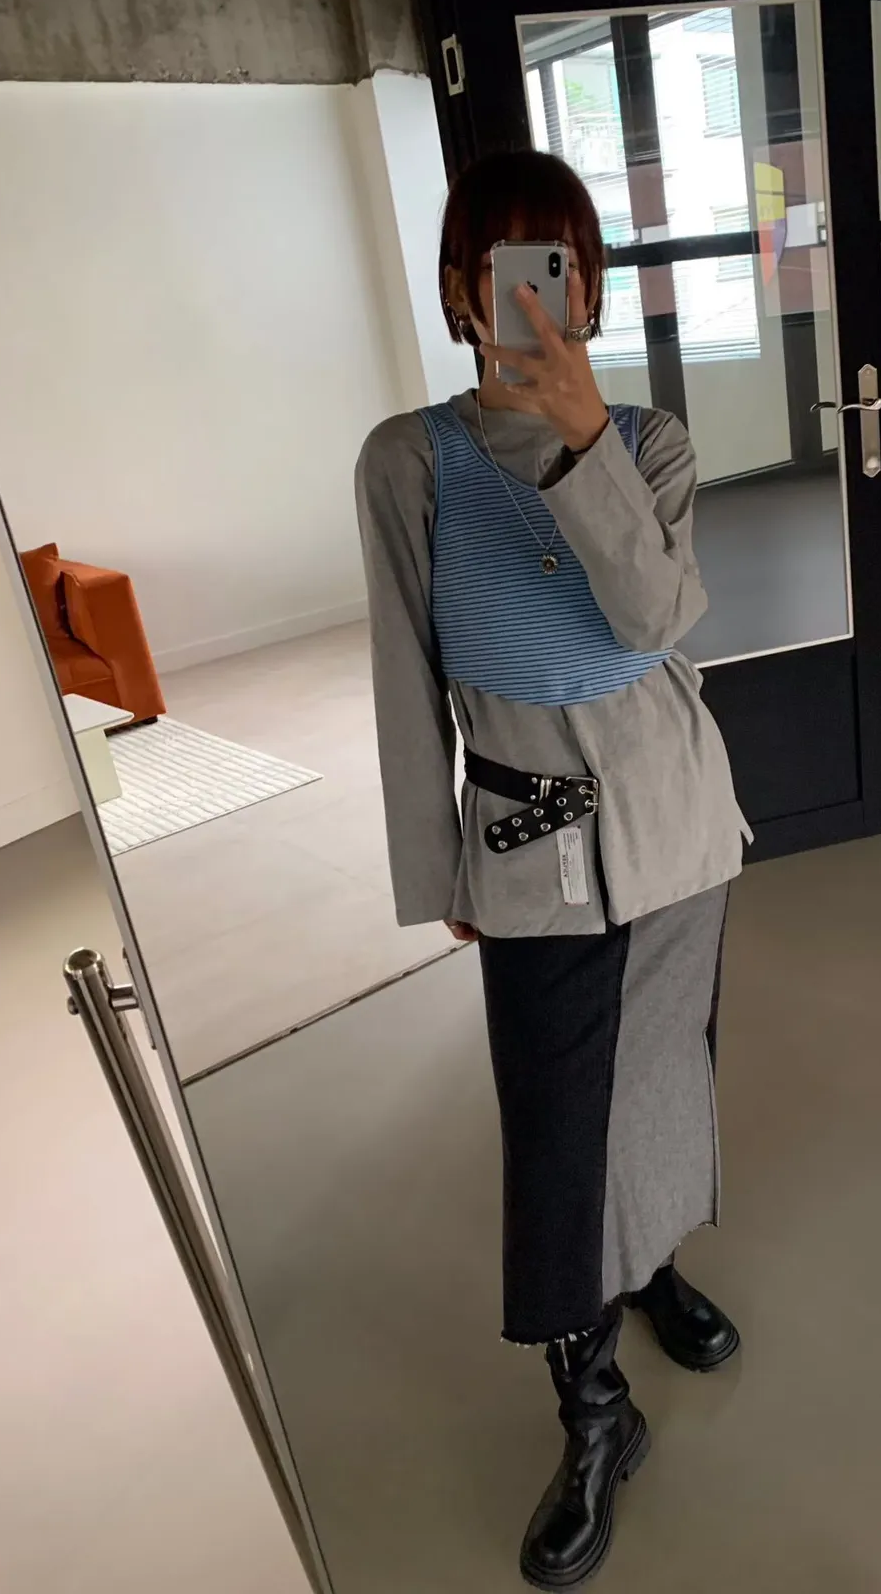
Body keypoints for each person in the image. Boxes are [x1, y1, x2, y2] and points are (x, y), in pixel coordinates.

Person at [355, 148, 749, 1590]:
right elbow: (406, 676)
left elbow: (652, 621)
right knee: (555, 1138)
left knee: (662, 1079)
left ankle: (648, 1268)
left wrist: (585, 442)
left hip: (679, 827)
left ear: (590, 291)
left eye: (560, 268)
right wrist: (438, 865)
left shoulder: (650, 442)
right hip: (534, 856)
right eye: (504, 268)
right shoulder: (407, 459)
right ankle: (594, 1416)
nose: (534, 296)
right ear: (461, 293)